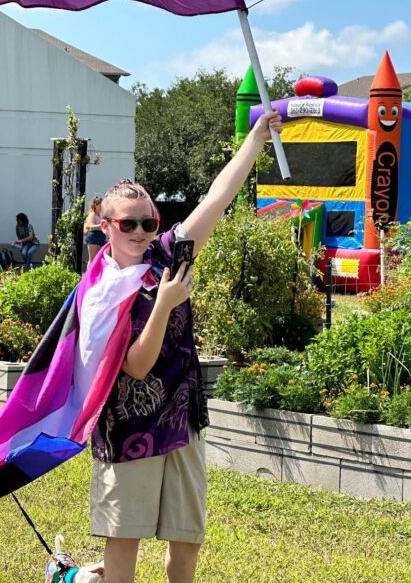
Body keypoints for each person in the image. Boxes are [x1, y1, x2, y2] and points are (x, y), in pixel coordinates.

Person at [89, 110, 282, 583]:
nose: (140, 233)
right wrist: (165, 303)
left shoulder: (169, 253)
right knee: (124, 543)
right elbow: (135, 366)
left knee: (187, 543)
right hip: (128, 428)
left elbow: (219, 195)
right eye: (129, 224)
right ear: (106, 225)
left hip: (182, 419)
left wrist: (255, 139)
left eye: (148, 222)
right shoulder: (99, 291)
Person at [84, 196, 107, 267]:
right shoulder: (92, 214)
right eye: (99, 205)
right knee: (92, 259)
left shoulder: (102, 215)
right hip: (93, 237)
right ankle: (89, 276)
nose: (101, 207)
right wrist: (102, 225)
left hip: (101, 237)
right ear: (95, 205)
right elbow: (90, 226)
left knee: (100, 259)